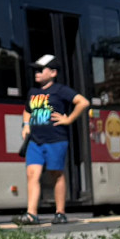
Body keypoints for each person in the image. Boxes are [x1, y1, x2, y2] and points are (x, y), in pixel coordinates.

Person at [19, 54, 89, 225]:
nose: (36, 73)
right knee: (32, 174)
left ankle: (60, 212)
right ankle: (31, 214)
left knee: (56, 174)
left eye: (40, 70)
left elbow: (83, 102)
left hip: (56, 139)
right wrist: (26, 124)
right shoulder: (33, 92)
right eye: (35, 70)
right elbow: (27, 110)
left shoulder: (60, 90)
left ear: (53, 72)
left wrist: (69, 119)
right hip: (35, 141)